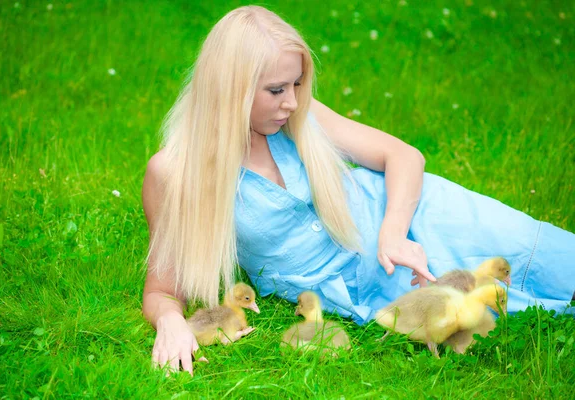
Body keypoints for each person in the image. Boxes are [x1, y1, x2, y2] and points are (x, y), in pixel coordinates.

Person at [141, 5, 575, 375]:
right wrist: (171, 323)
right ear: (230, 90)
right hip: (382, 284)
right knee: (505, 312)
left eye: (296, 85)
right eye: (276, 90)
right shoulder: (175, 173)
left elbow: (404, 157)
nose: (292, 102)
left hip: (419, 219)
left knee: (557, 259)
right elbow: (161, 290)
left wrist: (393, 234)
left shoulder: (299, 117)